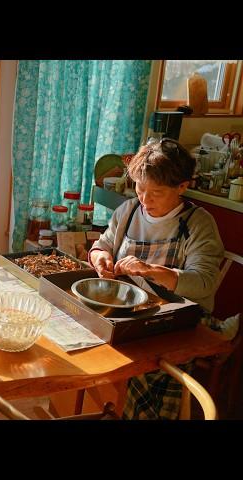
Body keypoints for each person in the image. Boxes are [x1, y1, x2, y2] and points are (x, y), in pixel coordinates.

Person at [88, 138, 225, 420]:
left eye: (157, 192)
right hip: (129, 315)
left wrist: (151, 271)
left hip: (175, 323)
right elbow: (102, 244)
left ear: (182, 187)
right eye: (140, 188)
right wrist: (99, 256)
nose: (145, 199)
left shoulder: (198, 224)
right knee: (87, 354)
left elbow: (204, 282)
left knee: (135, 370)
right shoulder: (127, 212)